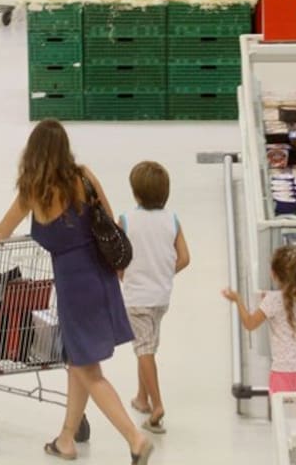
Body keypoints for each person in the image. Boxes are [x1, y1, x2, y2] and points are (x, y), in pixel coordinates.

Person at [0, 120, 155, 465]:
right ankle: (66, 439)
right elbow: (110, 221)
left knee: (89, 371)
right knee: (78, 362)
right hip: (102, 277)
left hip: (74, 288)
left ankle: (135, 440)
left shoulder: (33, 191)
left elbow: (2, 230)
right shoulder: (84, 177)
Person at [119, 161, 191, 435]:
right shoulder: (172, 219)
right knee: (148, 346)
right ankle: (142, 397)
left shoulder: (126, 220)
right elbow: (184, 258)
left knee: (144, 349)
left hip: (137, 297)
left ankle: (157, 405)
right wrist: (163, 273)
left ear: (135, 193)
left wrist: (123, 275)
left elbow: (117, 257)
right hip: (161, 297)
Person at [222, 246, 296, 396]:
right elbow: (288, 303)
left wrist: (238, 300)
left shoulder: (272, 301)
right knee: (295, 407)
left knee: (280, 408)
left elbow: (250, 323)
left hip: (284, 368)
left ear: (274, 274)